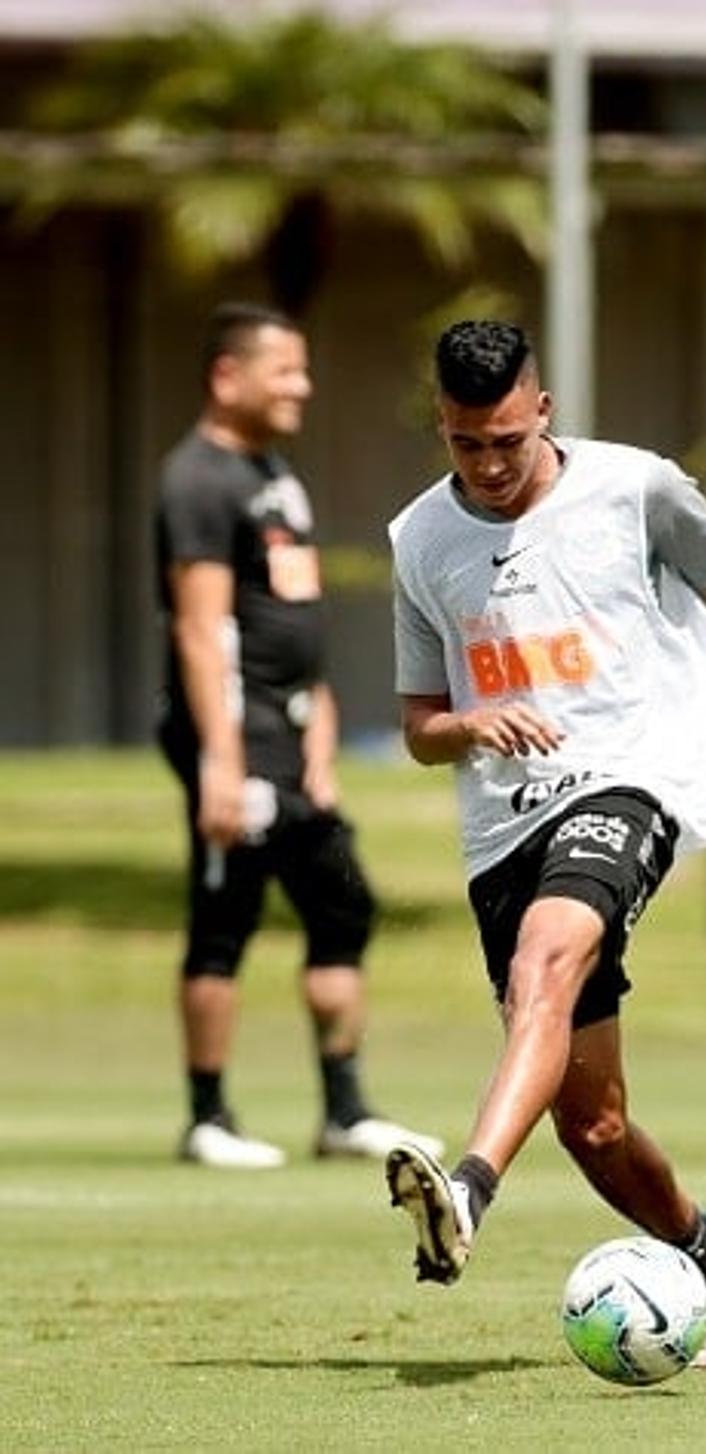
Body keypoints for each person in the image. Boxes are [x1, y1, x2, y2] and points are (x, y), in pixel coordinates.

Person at [382, 320, 706, 1369]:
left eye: (508, 438)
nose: (492, 465)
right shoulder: (419, 540)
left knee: (544, 961)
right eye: (468, 445)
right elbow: (421, 725)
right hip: (502, 825)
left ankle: (466, 1190)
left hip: (631, 780)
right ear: (443, 430)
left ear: (543, 411)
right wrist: (471, 724)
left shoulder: (637, 488)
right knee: (592, 1124)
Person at [155, 302, 441, 1171]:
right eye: (285, 370)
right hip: (234, 735)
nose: (302, 386)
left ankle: (344, 1111)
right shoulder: (198, 480)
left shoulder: (274, 475)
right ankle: (208, 1117)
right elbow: (203, 631)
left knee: (340, 901)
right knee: (227, 914)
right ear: (227, 376)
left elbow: (294, 617)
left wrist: (317, 733)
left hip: (292, 733)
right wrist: (221, 762)